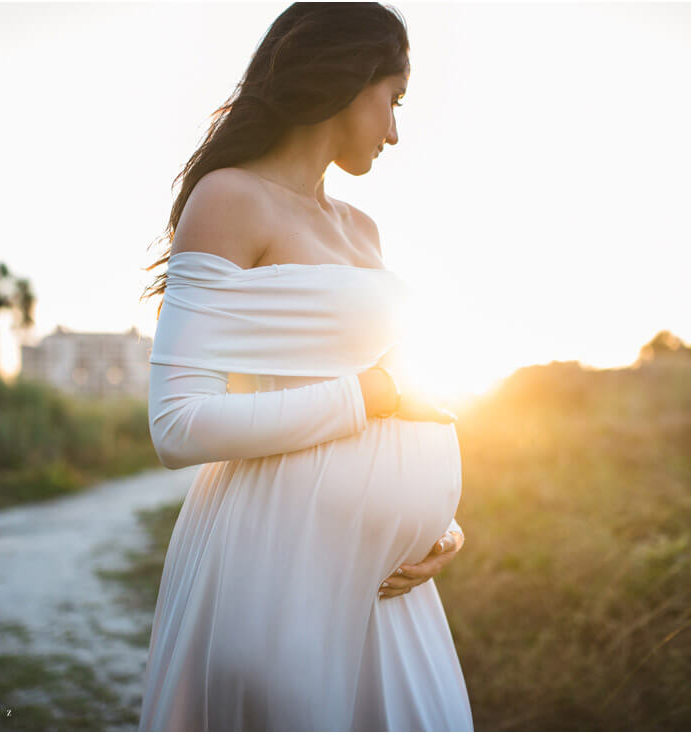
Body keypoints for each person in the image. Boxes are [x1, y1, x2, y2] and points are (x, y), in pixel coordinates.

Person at [137, 3, 473, 730]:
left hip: (392, 585)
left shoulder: (362, 226)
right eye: (395, 101)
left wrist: (439, 527)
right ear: (352, 79)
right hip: (281, 558)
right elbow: (177, 425)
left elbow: (410, 388)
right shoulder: (229, 200)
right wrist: (370, 397)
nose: (394, 131)